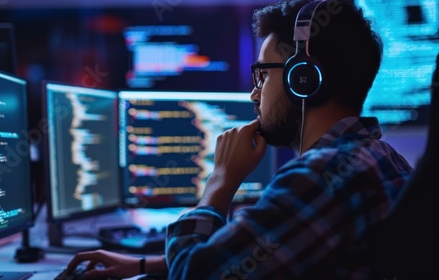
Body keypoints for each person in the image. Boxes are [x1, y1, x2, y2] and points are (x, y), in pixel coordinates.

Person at [64, 0, 414, 278]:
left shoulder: (318, 178)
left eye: (262, 74)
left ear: (303, 79)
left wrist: (219, 182)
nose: (253, 95)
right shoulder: (384, 160)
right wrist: (143, 266)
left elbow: (195, 277)